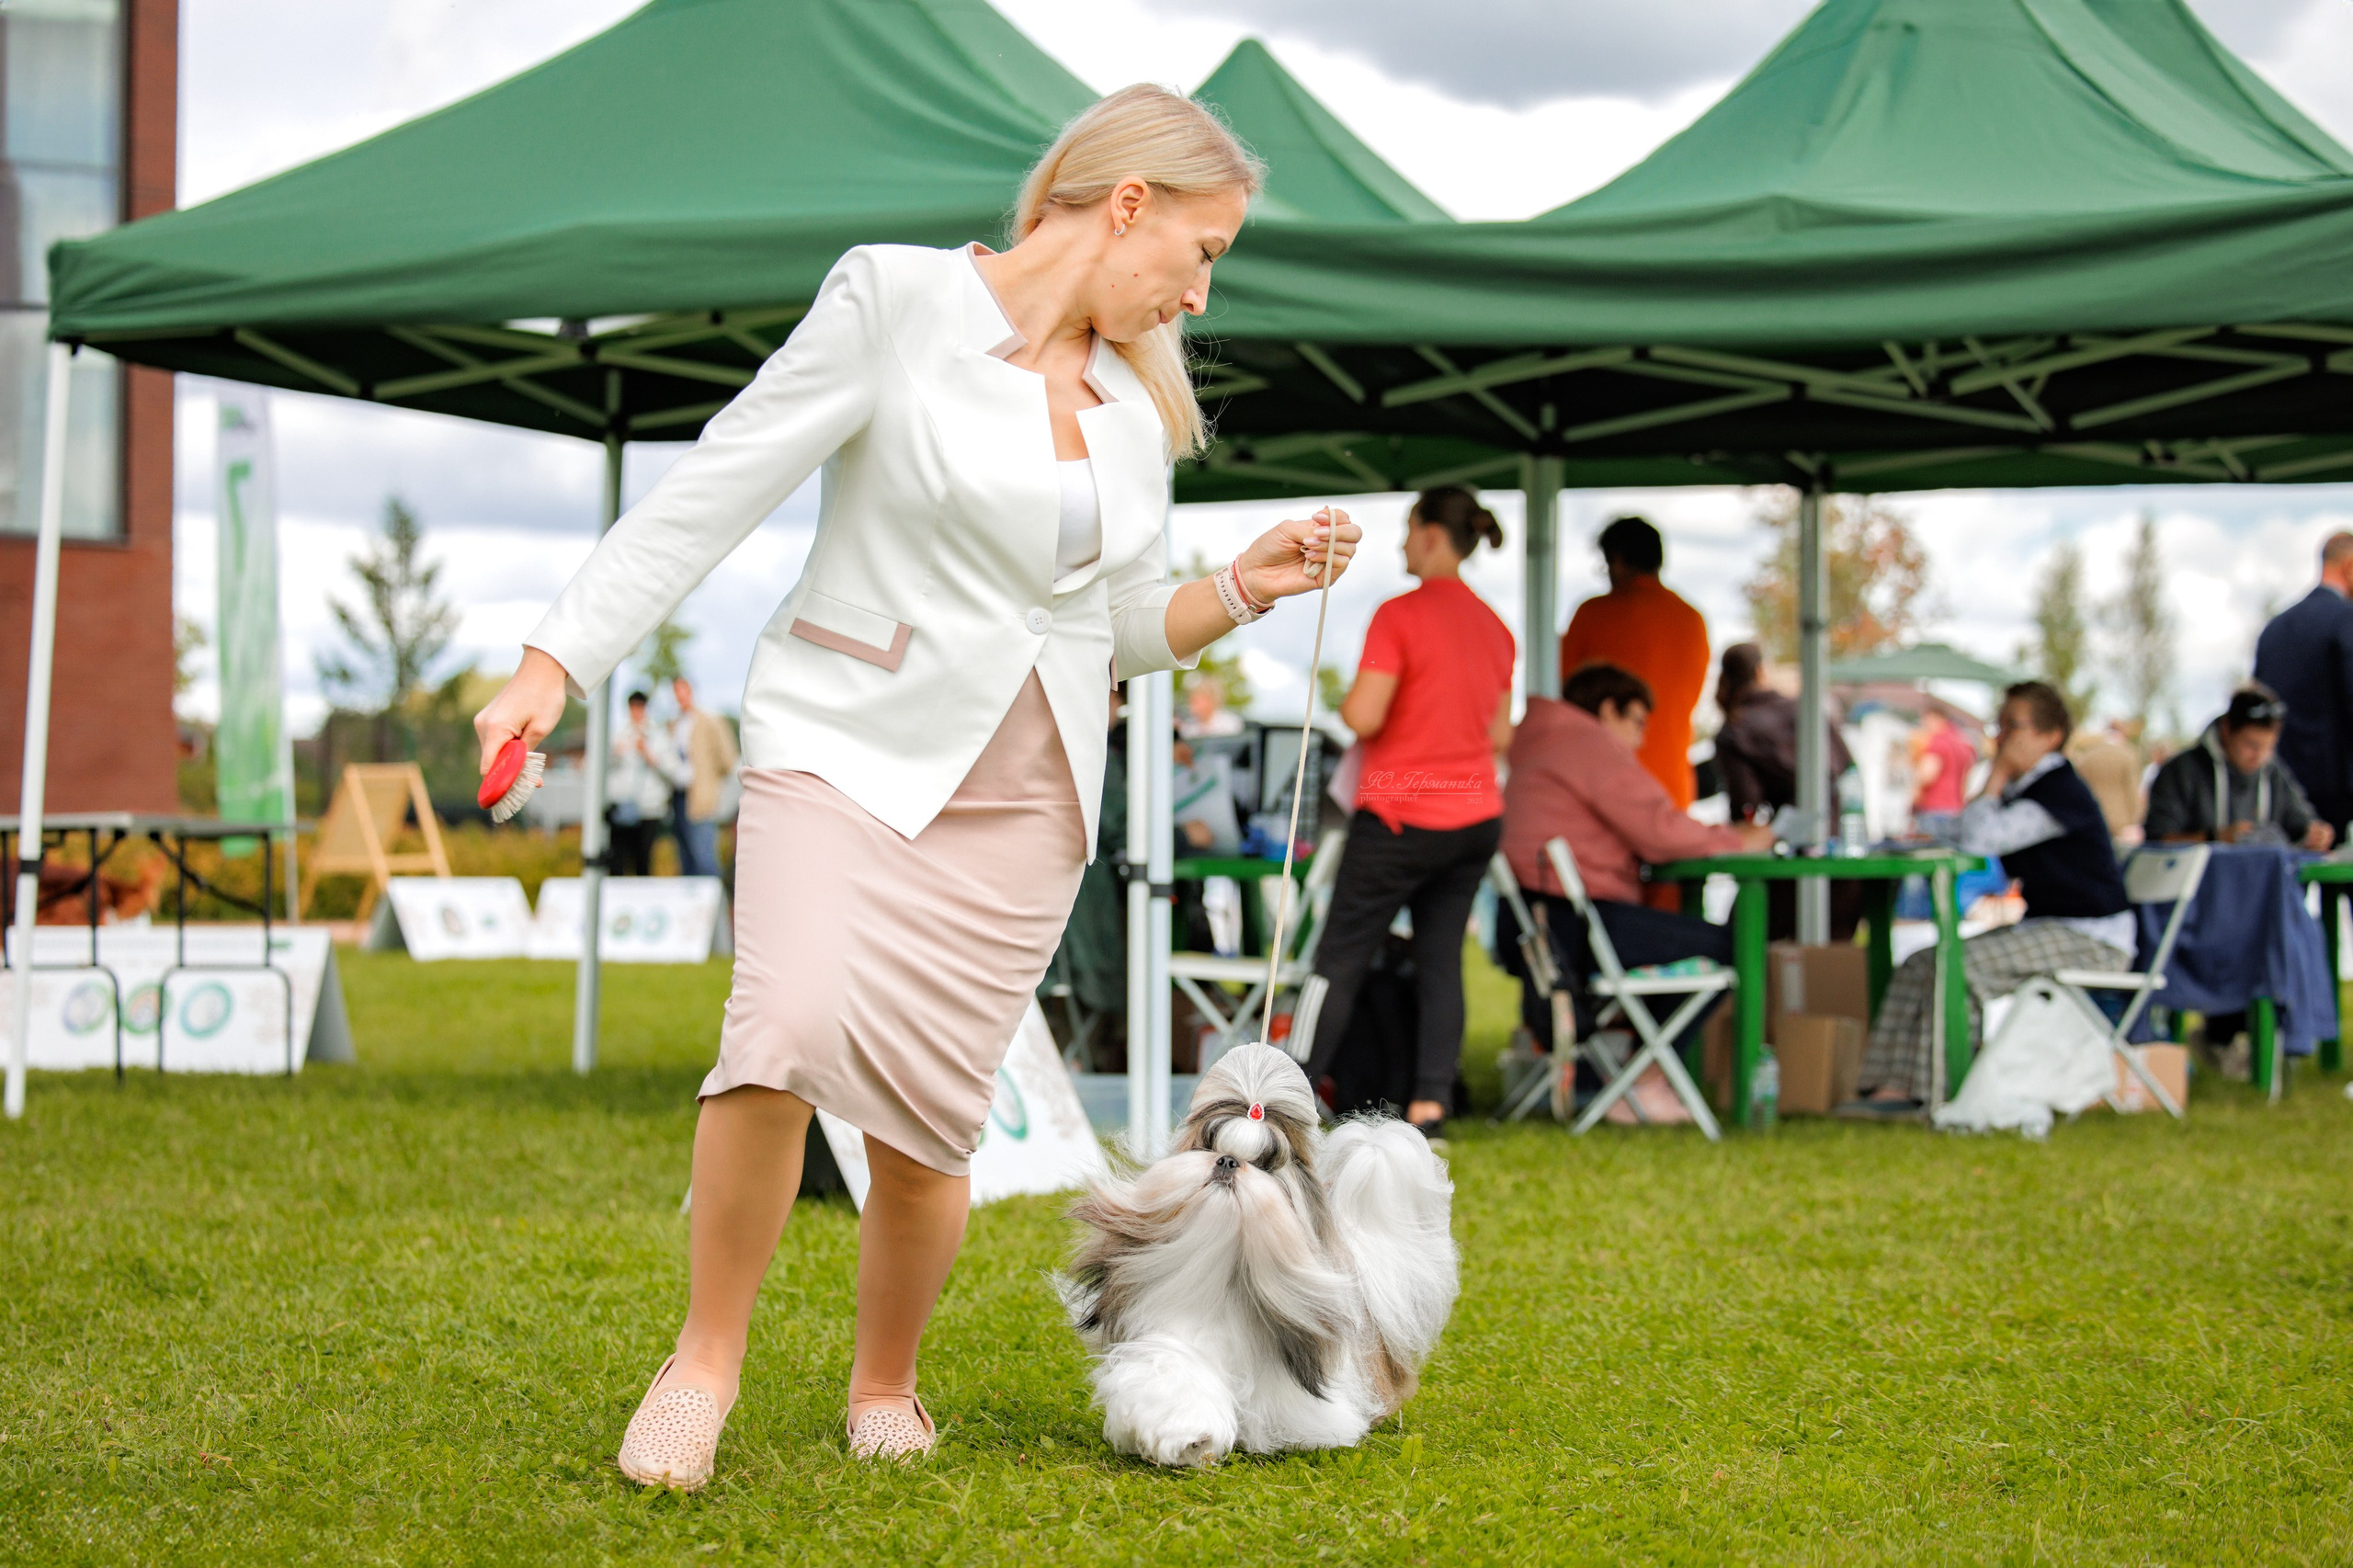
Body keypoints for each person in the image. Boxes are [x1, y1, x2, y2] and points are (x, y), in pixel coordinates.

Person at [472, 86, 1361, 1482]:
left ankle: (882, 1379)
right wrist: (553, 664)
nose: (1202, 290)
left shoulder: (1134, 408)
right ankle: (703, 1363)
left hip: (1027, 798)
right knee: (784, 1026)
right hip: (843, 743)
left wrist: (1240, 586)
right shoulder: (893, 301)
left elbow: (1113, 623)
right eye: (1203, 250)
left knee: (933, 1120)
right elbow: (719, 485)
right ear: (1127, 202)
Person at [1304, 485, 1514, 1141]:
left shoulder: (1400, 615)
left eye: (1406, 530)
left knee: (1336, 960)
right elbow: (1502, 736)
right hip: (1473, 815)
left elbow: (1364, 715)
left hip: (1401, 813)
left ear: (1430, 535)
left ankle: (1295, 1093)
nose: (1400, 545)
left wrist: (1346, 702)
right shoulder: (1496, 627)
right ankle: (1430, 1106)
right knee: (1440, 961)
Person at [1847, 682, 2132, 1116]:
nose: (2002, 737)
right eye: (2001, 726)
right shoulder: (2031, 789)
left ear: (2050, 735)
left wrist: (1995, 775)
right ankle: (1886, 1088)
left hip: (2089, 936)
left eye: (2014, 727)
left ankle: (1945, 1092)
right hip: (2050, 926)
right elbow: (1965, 828)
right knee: (1921, 962)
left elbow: (1980, 840)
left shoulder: (2059, 790)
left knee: (1961, 969)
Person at [1499, 663, 1774, 1053]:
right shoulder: (1587, 743)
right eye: (1638, 723)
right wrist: (1737, 840)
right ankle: (1649, 1072)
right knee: (1734, 945)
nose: (1641, 740)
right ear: (1609, 709)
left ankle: (1615, 1074)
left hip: (1528, 925)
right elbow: (1658, 831)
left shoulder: (1542, 741)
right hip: (1572, 926)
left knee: (1677, 941)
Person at [1559, 515, 1710, 810]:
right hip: (1672, 786)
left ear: (1616, 560)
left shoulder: (1593, 615)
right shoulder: (1692, 619)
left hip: (1604, 789)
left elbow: (1568, 701)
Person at [1712, 642, 1859, 940]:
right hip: (1842, 858)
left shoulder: (1735, 727)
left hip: (1786, 864)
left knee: (1741, 942)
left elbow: (1747, 808)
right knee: (1836, 961)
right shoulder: (1807, 710)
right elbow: (1847, 771)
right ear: (1760, 671)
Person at [2145, 684, 2333, 850]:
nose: (2260, 756)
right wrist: (2215, 839)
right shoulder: (2181, 771)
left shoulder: (2273, 772)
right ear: (2226, 730)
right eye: (2251, 745)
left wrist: (2315, 834)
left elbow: (2302, 822)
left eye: (2269, 747)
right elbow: (2158, 841)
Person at [2255, 531, 2353, 840]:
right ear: (2349, 567)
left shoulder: (2275, 627)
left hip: (2279, 791)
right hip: (2341, 791)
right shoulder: (2346, 621)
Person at [608, 689, 689, 876]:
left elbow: (673, 769)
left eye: (640, 707)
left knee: (643, 861)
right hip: (622, 808)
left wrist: (649, 754)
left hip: (649, 808)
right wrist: (617, 752)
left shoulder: (658, 735)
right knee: (617, 861)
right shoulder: (618, 734)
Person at [668, 676, 740, 878]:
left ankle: (714, 906)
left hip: (701, 798)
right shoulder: (674, 724)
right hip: (679, 796)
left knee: (704, 857)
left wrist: (708, 778)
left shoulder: (709, 721)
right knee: (685, 858)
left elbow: (728, 758)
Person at [2067, 717, 2145, 846]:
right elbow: (2132, 790)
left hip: (2091, 815)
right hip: (2120, 820)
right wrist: (2136, 820)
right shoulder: (2128, 756)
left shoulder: (2089, 755)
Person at [1910, 706, 1982, 834]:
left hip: (1934, 809)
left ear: (1934, 718)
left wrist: (1912, 798)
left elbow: (1927, 775)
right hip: (1956, 808)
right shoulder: (1962, 742)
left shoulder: (1939, 742)